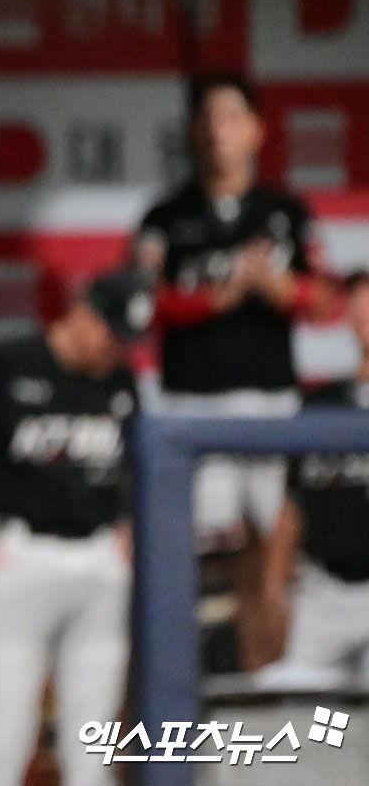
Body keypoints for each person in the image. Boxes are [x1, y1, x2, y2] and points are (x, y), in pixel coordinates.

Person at [0, 269, 151, 786]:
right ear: (84, 312)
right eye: (111, 334)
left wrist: (133, 523)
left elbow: (142, 459)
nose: (116, 350)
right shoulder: (1, 361)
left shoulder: (120, 381)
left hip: (101, 562)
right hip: (19, 558)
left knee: (94, 751)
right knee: (3, 745)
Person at [133, 74, 331, 669]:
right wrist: (221, 294)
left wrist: (273, 285)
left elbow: (323, 299)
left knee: (288, 547)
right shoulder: (167, 217)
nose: (219, 131)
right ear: (195, 131)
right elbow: (142, 303)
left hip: (273, 404)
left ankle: (291, 679)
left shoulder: (285, 212)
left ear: (257, 130)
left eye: (232, 117)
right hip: (194, 404)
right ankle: (211, 681)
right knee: (206, 553)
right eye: (209, 119)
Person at [257, 271, 369, 689]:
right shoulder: (320, 404)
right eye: (357, 308)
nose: (364, 317)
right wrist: (273, 584)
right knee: (305, 712)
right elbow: (294, 502)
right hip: (324, 593)